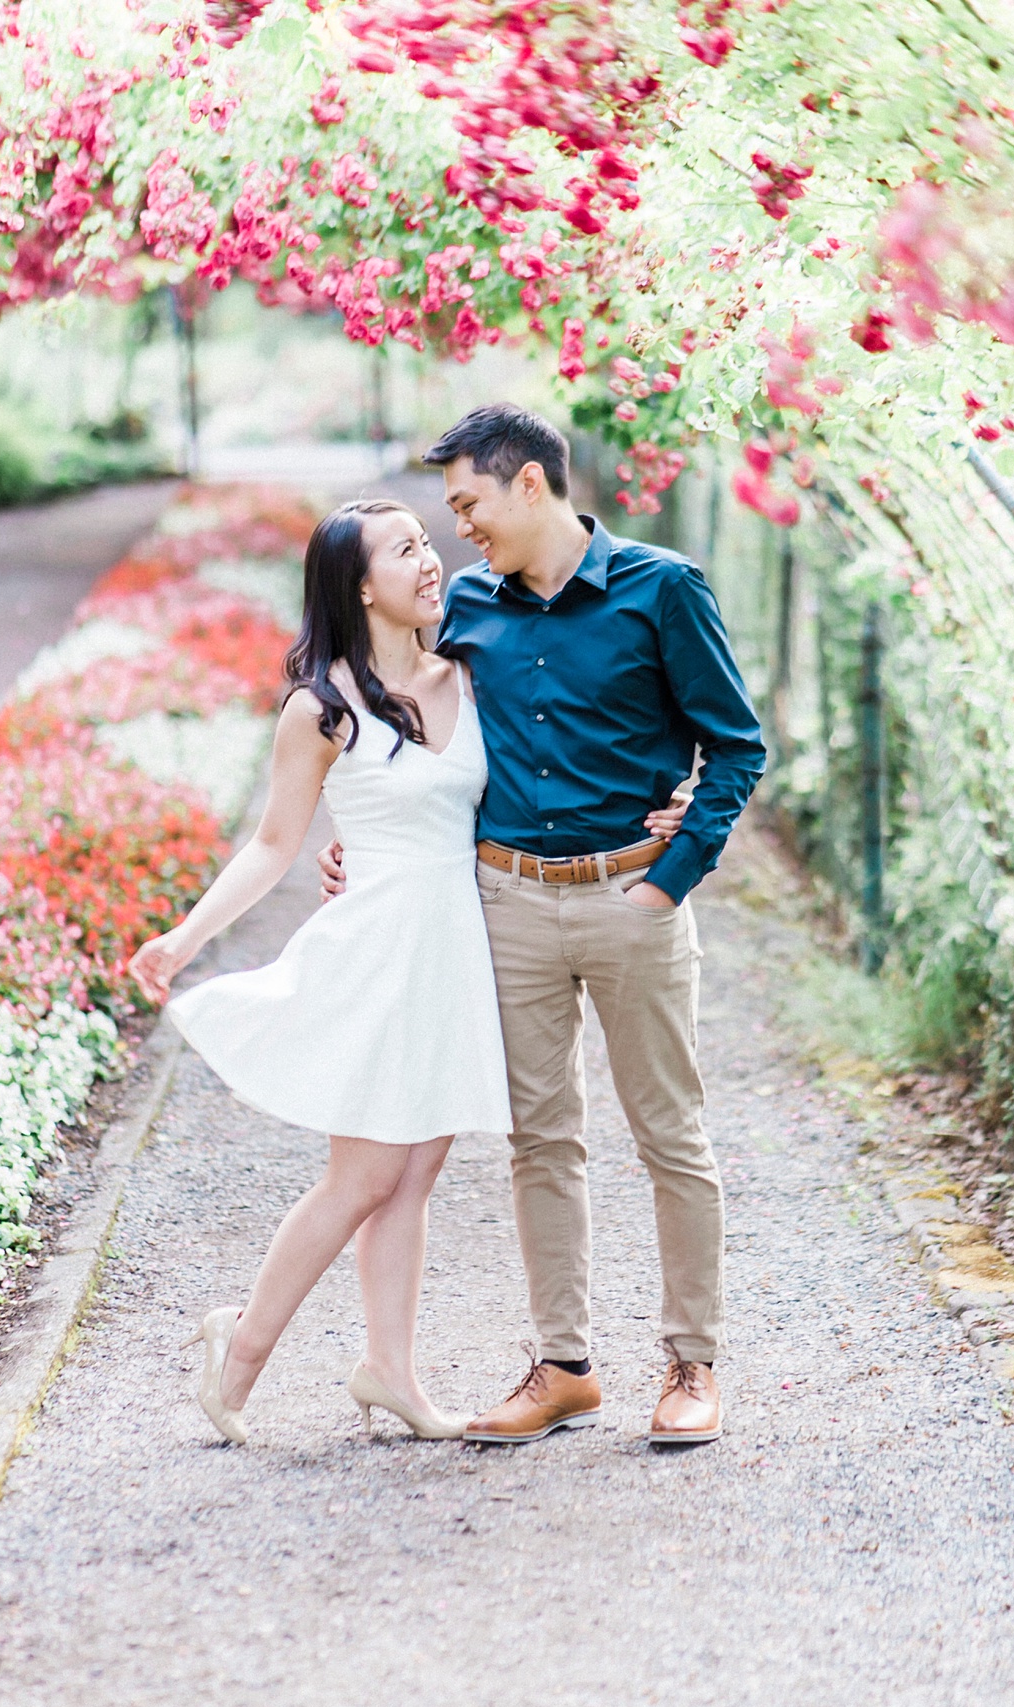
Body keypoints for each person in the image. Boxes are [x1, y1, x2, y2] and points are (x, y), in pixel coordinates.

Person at [319, 405, 766, 1447]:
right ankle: (563, 1366)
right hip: (506, 902)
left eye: (468, 502)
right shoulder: (467, 608)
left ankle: (691, 1361)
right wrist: (368, 842)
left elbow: (735, 747)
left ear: (530, 485)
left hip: (630, 899)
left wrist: (673, 872)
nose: (459, 529)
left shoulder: (663, 589)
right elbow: (416, 725)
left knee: (670, 1134)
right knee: (538, 1140)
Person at [131, 499, 599, 1443]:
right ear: (357, 584)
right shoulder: (322, 706)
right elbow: (271, 845)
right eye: (405, 552)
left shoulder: (466, 670)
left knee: (417, 1169)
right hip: (378, 951)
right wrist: (181, 939)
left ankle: (389, 1368)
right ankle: (243, 1346)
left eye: (428, 544)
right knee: (365, 1173)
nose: (431, 562)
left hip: (452, 948)